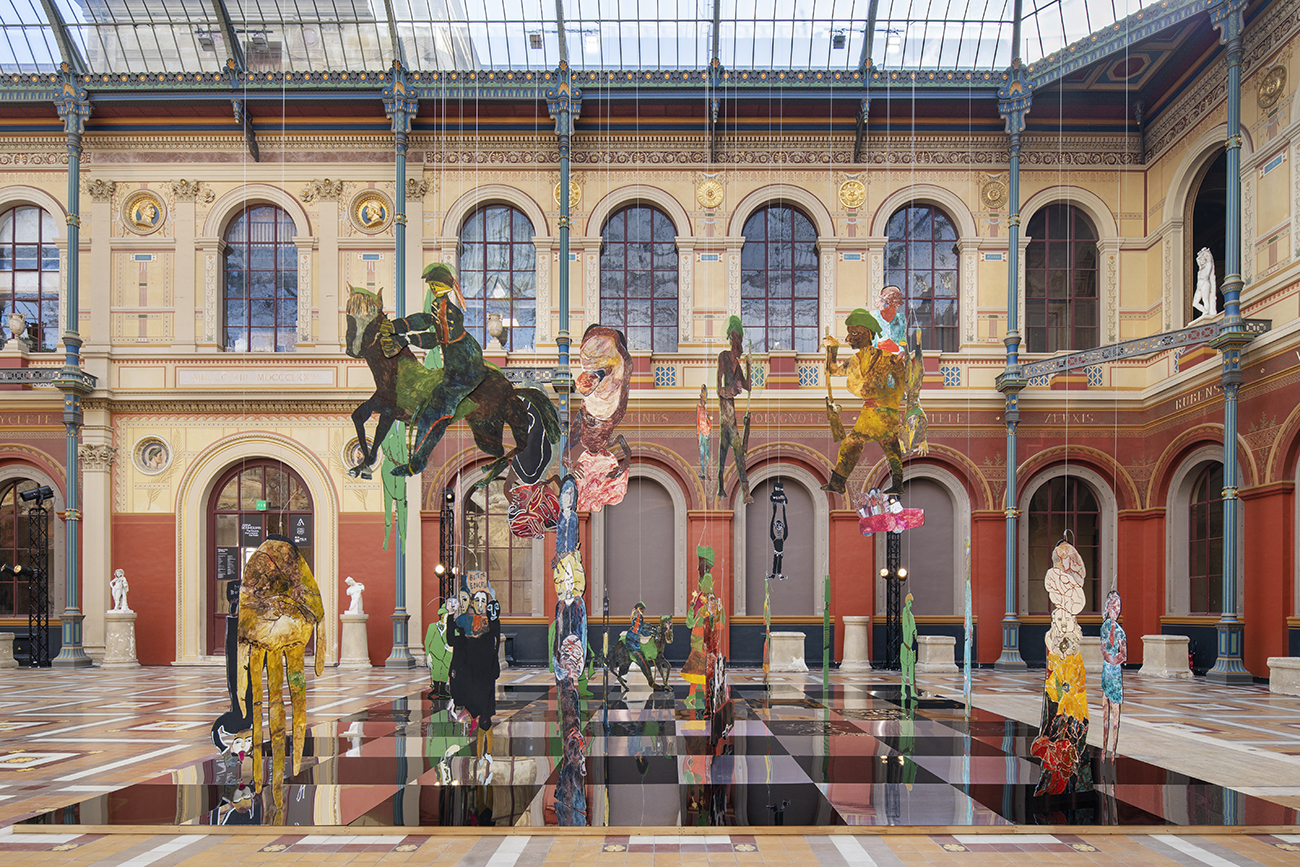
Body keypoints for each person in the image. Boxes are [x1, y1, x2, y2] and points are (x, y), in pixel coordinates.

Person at [381, 263, 487, 476]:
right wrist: (396, 326)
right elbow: (424, 320)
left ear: (447, 286)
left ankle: (417, 463)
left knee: (435, 411)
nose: (434, 289)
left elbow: (437, 339)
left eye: (437, 285)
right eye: (432, 286)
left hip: (465, 367)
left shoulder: (450, 312)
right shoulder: (438, 306)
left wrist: (407, 339)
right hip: (455, 366)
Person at [821, 308, 908, 495]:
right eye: (849, 333)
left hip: (884, 411)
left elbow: (901, 386)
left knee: (888, 445)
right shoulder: (855, 360)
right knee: (854, 443)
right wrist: (832, 349)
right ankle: (837, 483)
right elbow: (833, 371)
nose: (849, 338)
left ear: (867, 333)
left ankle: (897, 483)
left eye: (854, 333)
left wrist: (889, 405)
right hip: (869, 411)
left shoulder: (890, 359)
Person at [716, 317, 753, 504]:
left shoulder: (738, 365)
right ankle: (722, 488)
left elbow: (748, 386)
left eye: (738, 338)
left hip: (732, 416)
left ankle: (745, 492)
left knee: (736, 455)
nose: (735, 342)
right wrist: (730, 390)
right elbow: (718, 388)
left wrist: (749, 365)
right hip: (725, 415)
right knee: (724, 454)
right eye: (733, 337)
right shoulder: (723, 356)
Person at [1100, 590, 1127, 762]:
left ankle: (1113, 750)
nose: (1115, 611)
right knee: (1105, 713)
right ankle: (1104, 749)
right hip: (1106, 673)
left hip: (1115, 674)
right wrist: (1109, 659)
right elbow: (1103, 649)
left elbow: (1123, 654)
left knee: (1115, 714)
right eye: (1112, 607)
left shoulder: (1120, 631)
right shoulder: (1104, 628)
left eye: (1117, 608)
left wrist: (1114, 660)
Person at [871, 285, 907, 355]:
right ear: (887, 299)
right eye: (895, 297)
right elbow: (870, 341)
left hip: (896, 356)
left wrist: (900, 354)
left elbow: (903, 341)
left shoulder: (901, 318)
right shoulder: (874, 315)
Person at [900, 592, 917, 701]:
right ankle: (902, 690)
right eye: (909, 603)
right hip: (905, 648)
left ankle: (912, 691)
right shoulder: (905, 614)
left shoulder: (910, 615)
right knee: (903, 672)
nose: (910, 605)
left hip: (910, 649)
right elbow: (907, 628)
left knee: (911, 671)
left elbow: (913, 627)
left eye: (911, 603)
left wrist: (915, 631)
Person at [696, 384, 711, 483]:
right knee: (703, 454)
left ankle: (706, 472)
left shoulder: (704, 410)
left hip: (705, 433)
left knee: (706, 454)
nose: (702, 397)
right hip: (702, 432)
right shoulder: (699, 408)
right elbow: (699, 422)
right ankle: (704, 472)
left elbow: (708, 422)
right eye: (701, 395)